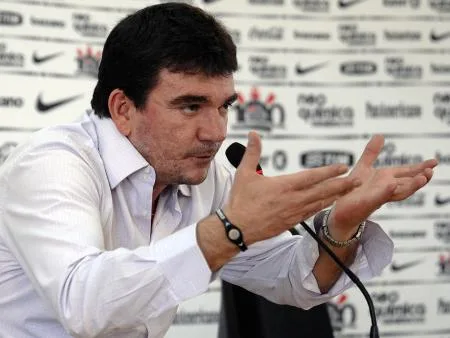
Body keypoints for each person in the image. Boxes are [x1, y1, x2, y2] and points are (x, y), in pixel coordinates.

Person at [0, 3, 436, 338]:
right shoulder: (52, 164)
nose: (214, 132)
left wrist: (342, 224)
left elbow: (293, 282)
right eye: (190, 106)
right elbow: (84, 303)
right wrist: (228, 230)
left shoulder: (205, 174)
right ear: (122, 109)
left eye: (223, 106)